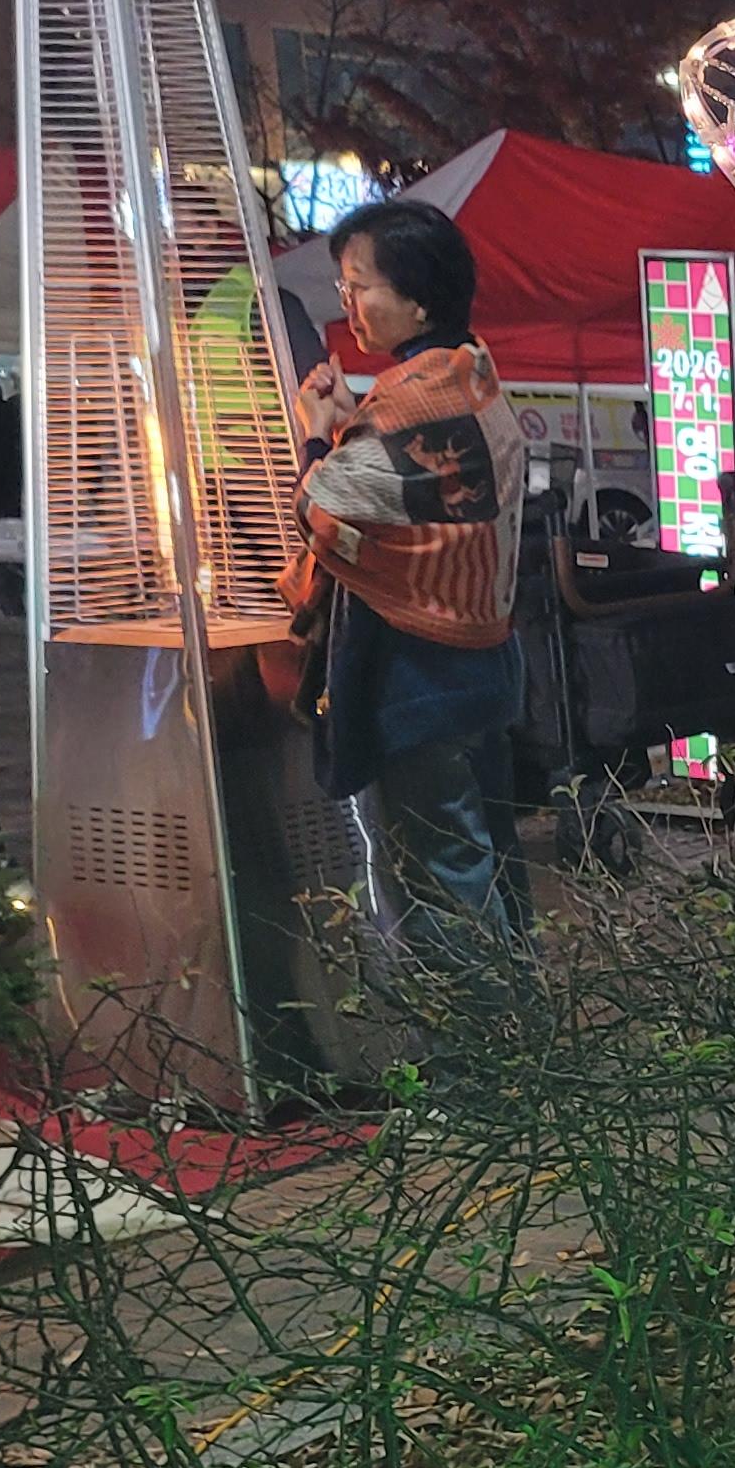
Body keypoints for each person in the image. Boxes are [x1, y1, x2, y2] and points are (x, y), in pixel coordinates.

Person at [285, 198, 532, 970]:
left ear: (417, 298)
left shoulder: (410, 400)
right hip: (484, 665)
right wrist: (347, 425)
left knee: (443, 893)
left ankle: (475, 1043)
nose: (348, 303)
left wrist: (314, 432)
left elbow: (321, 509)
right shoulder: (469, 370)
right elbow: (418, 490)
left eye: (360, 285)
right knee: (492, 872)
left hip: (422, 680)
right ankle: (528, 1029)